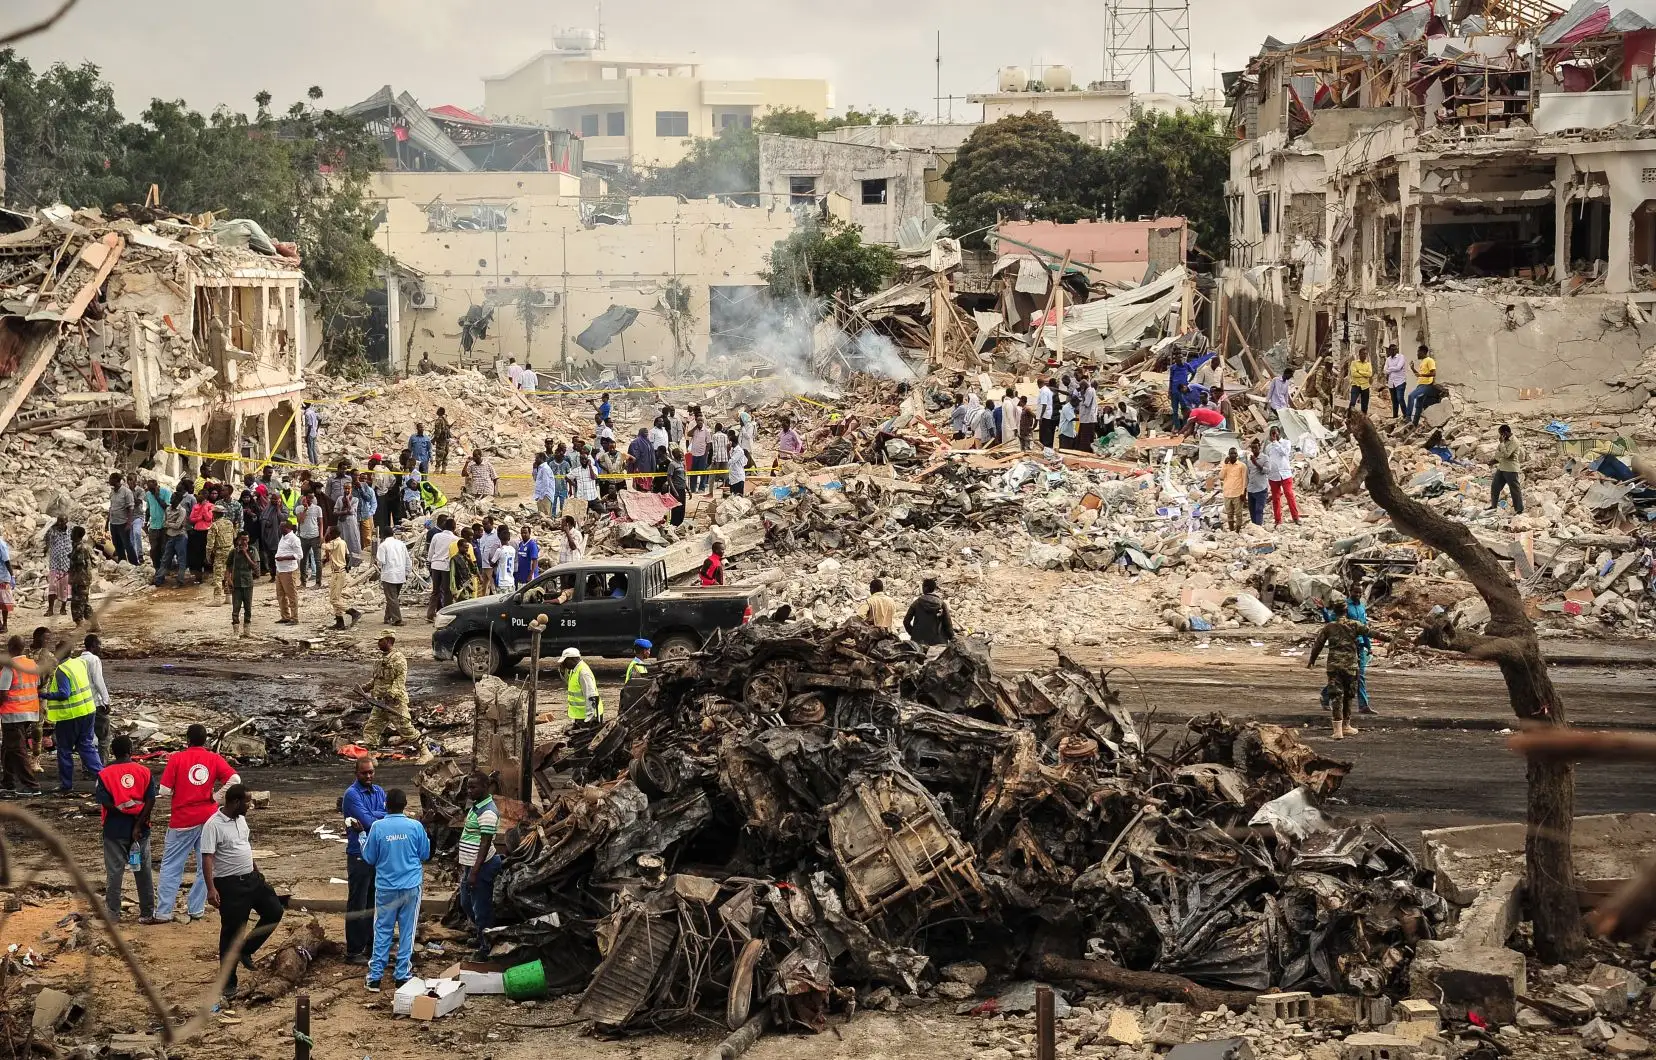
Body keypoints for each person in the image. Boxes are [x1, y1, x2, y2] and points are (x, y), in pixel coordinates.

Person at [203, 784, 285, 1005]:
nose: (250, 805)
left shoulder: (241, 820)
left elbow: (244, 846)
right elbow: (207, 857)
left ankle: (246, 949)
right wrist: (211, 888)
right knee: (231, 932)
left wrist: (257, 871)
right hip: (229, 885)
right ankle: (228, 982)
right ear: (236, 802)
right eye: (247, 801)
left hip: (251, 878)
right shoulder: (213, 825)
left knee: (274, 911)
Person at [153, 724, 239, 923]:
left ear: (187, 739)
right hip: (208, 818)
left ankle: (164, 911)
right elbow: (234, 779)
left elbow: (165, 790)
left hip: (182, 819)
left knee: (172, 866)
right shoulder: (214, 758)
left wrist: (180, 792)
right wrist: (216, 798)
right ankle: (196, 908)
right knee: (206, 866)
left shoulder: (177, 759)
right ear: (206, 740)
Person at [360, 787, 429, 990]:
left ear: (385, 805)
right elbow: (424, 853)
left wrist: (361, 836)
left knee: (382, 931)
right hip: (411, 886)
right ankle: (401, 975)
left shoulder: (377, 827)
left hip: (386, 888)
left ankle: (375, 977)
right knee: (408, 931)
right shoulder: (415, 827)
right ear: (405, 805)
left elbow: (370, 857)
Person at [97, 735, 158, 922]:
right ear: (131, 751)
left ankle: (113, 914)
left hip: (115, 831)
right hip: (140, 832)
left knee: (114, 873)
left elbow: (105, 802)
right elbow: (151, 799)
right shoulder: (144, 772)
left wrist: (123, 813)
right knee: (142, 871)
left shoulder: (104, 774)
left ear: (113, 753)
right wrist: (138, 823)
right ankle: (147, 913)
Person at [340, 757, 386, 967]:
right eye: (364, 773)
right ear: (356, 773)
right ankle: (353, 950)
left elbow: (382, 818)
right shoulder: (351, 795)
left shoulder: (379, 791)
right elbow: (369, 823)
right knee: (357, 902)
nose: (368, 776)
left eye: (371, 772)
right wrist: (376, 817)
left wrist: (373, 816)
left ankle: (369, 944)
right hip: (358, 854)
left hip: (375, 854)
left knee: (371, 902)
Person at [41, 645, 104, 793]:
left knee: (65, 751)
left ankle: (66, 785)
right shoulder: (79, 663)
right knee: (86, 746)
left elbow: (64, 693)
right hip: (88, 711)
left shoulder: (62, 671)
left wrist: (45, 695)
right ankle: (105, 778)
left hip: (70, 716)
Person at [1307, 601, 1372, 740]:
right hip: (1350, 667)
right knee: (1348, 696)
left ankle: (1337, 730)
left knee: (1336, 696)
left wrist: (1312, 660)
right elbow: (1371, 633)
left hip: (1334, 666)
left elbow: (1318, 644)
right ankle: (1346, 726)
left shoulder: (1329, 627)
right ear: (1346, 611)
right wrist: (1393, 639)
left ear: (1334, 612)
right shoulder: (1354, 624)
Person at [456, 771, 501, 960]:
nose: (469, 791)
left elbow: (485, 843)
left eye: (473, 787)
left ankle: (486, 947)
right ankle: (481, 935)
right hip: (471, 865)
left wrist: (474, 871)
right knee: (467, 903)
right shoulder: (477, 807)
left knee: (481, 908)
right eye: (468, 787)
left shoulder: (488, 812)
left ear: (485, 787)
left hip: (482, 866)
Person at [361, 635, 427, 759]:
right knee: (371, 729)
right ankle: (371, 757)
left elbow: (400, 679)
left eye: (381, 641)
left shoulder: (398, 659)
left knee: (406, 730)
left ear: (389, 641)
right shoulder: (381, 659)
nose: (378, 643)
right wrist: (366, 687)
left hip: (395, 703)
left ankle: (425, 753)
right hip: (380, 703)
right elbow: (378, 679)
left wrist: (391, 694)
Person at [0, 635, 42, 795]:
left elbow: (3, 694)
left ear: (10, 648)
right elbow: (35, 686)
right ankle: (8, 782)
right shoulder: (31, 664)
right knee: (8, 748)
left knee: (17, 750)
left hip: (12, 714)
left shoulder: (9, 667)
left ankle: (31, 786)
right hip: (29, 712)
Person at [80, 634, 113, 763]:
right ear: (94, 645)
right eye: (99, 645)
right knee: (104, 737)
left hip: (82, 704)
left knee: (87, 738)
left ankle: (87, 767)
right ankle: (101, 766)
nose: (100, 647)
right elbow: (99, 682)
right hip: (96, 703)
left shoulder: (78, 660)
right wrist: (106, 701)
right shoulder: (94, 660)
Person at [1265, 426, 1301, 527]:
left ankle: (1296, 517)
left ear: (1279, 433)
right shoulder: (1268, 447)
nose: (1273, 435)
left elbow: (1284, 453)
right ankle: (1278, 520)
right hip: (1273, 475)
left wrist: (1276, 442)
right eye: (1271, 433)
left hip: (1285, 474)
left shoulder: (1286, 443)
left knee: (1289, 495)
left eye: (1275, 433)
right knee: (1276, 498)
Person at [904, 578, 955, 646]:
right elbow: (948, 625)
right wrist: (953, 639)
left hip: (919, 643)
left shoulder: (917, 603)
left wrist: (914, 633)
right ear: (933, 589)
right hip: (939, 643)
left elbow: (906, 621)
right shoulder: (941, 604)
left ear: (925, 588)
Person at [426, 516, 458, 622]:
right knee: (447, 591)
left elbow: (431, 552)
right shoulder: (455, 539)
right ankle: (446, 613)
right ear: (454, 527)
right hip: (446, 567)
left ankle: (430, 614)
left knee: (435, 591)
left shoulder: (436, 536)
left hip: (435, 565)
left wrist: (430, 561)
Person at [560, 647, 603, 723]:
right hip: (581, 715)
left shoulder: (583, 672)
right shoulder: (575, 670)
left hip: (589, 717)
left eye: (565, 661)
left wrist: (590, 716)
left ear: (571, 660)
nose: (564, 664)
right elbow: (571, 684)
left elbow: (590, 694)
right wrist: (563, 671)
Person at [324, 526, 354, 630]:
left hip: (337, 573)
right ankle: (339, 621)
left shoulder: (335, 543)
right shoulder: (343, 542)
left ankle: (352, 612)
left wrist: (325, 535)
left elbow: (322, 545)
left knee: (333, 600)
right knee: (337, 598)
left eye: (330, 533)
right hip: (340, 572)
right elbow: (348, 555)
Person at [376, 533, 409, 626]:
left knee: (391, 598)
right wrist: (407, 571)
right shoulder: (401, 544)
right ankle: (387, 617)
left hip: (389, 575)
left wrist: (380, 567)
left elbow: (381, 561)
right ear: (393, 534)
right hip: (400, 574)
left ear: (383, 537)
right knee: (393, 597)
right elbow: (407, 559)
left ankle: (397, 619)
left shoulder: (383, 545)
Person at [1491, 424, 1525, 515]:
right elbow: (1499, 452)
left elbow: (1506, 455)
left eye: (1501, 434)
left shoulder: (1514, 441)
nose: (1500, 436)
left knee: (1514, 489)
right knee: (1495, 487)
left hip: (1511, 469)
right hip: (1502, 467)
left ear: (1505, 433)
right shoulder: (1504, 441)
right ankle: (1493, 506)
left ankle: (1519, 509)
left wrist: (1501, 444)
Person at [68, 526, 97, 629]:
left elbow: (80, 564)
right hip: (81, 579)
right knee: (84, 603)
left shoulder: (80, 548)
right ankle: (94, 624)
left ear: (77, 535)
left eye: (72, 533)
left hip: (80, 579)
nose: (70, 534)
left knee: (77, 602)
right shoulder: (77, 547)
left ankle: (80, 624)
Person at [273, 520, 301, 625]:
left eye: (282, 527)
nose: (280, 529)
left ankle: (294, 618)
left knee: (291, 595)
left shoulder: (294, 539)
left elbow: (299, 555)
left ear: (288, 528)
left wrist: (283, 558)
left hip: (288, 570)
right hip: (280, 570)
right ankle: (285, 616)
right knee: (280, 594)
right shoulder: (283, 537)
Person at [44, 515, 71, 616]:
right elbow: (46, 541)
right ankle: (50, 609)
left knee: (65, 587)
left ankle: (63, 608)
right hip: (55, 564)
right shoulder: (52, 531)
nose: (61, 524)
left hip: (66, 564)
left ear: (66, 521)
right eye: (59, 522)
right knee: (52, 586)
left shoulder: (70, 531)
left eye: (63, 522)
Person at [107, 473, 138, 565]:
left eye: (111, 479)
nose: (109, 481)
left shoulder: (126, 492)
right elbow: (111, 507)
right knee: (117, 544)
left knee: (127, 544)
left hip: (123, 523)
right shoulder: (112, 492)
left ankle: (134, 563)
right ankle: (122, 563)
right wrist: (107, 522)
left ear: (116, 480)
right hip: (113, 523)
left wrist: (129, 523)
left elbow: (131, 509)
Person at [296, 493, 323, 588]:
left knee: (318, 560)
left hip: (315, 537)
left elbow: (320, 523)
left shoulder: (318, 509)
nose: (310, 500)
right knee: (303, 560)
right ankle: (303, 582)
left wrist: (321, 536)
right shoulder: (299, 508)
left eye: (312, 498)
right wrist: (305, 509)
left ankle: (318, 582)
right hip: (303, 537)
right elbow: (300, 520)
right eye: (309, 498)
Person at [1407, 345, 1438, 425]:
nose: (1417, 354)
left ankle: (1408, 417)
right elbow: (1418, 375)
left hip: (1427, 385)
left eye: (1418, 352)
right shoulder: (1423, 362)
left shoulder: (1429, 360)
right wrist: (1413, 368)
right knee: (1418, 405)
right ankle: (1414, 424)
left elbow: (1433, 373)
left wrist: (1422, 375)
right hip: (1421, 385)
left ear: (1423, 352)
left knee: (1411, 396)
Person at [1221, 448, 1249, 533]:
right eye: (1231, 454)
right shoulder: (1226, 465)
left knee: (1238, 514)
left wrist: (1243, 492)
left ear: (1237, 455)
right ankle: (1231, 530)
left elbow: (1245, 480)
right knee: (1229, 514)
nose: (1233, 455)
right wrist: (1225, 465)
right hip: (1227, 493)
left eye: (1234, 453)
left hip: (1237, 493)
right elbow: (1221, 477)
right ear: (1229, 455)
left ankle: (1237, 531)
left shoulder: (1242, 466)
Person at [1246, 438, 1271, 527]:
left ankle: (1259, 527)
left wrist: (1256, 463)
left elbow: (1267, 471)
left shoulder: (1265, 458)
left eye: (1255, 448)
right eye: (1252, 448)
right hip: (1251, 489)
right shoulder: (1249, 461)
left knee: (1259, 510)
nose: (1254, 450)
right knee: (1252, 511)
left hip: (1261, 489)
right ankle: (1254, 528)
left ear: (1259, 448)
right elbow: (1248, 475)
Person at [1348, 347, 1373, 415]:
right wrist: (1364, 374)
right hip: (1356, 385)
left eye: (1365, 354)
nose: (1364, 355)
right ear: (1359, 354)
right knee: (1352, 403)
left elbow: (1370, 374)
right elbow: (1353, 374)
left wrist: (1359, 371)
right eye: (1363, 354)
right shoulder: (1354, 363)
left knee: (1364, 405)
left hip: (1365, 386)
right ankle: (1349, 417)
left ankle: (1364, 419)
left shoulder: (1368, 364)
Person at [493, 526, 517, 591]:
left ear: (500, 539)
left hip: (502, 582)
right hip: (511, 581)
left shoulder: (499, 550)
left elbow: (492, 563)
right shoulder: (512, 550)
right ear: (509, 539)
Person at [1077, 382, 1099, 450]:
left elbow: (1086, 403)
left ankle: (1085, 451)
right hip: (1085, 418)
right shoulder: (1089, 391)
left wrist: (1083, 395)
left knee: (1086, 438)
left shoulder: (1089, 391)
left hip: (1088, 419)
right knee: (1085, 437)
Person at [1036, 379, 1057, 449]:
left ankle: (1045, 446)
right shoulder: (1047, 390)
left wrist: (1041, 416)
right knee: (1046, 430)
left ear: (1038, 384)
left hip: (1045, 414)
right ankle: (1047, 445)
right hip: (1047, 413)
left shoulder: (1044, 391)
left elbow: (1044, 404)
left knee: (1044, 431)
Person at [432, 409, 452, 475]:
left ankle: (437, 469)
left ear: (440, 412)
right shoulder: (445, 419)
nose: (436, 411)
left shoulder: (439, 420)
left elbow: (438, 431)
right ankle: (444, 469)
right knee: (445, 453)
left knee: (439, 454)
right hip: (446, 440)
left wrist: (434, 439)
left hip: (441, 440)